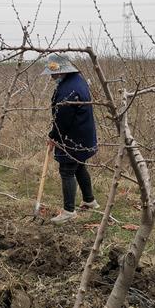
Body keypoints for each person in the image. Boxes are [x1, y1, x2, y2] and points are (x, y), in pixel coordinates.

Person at [42, 53, 98, 225]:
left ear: (61, 71)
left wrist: (53, 136)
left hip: (73, 137)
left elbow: (63, 120)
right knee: (79, 165)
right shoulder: (77, 80)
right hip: (83, 135)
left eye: (53, 73)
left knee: (67, 170)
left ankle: (68, 211)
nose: (51, 77)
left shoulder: (68, 90)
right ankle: (89, 200)